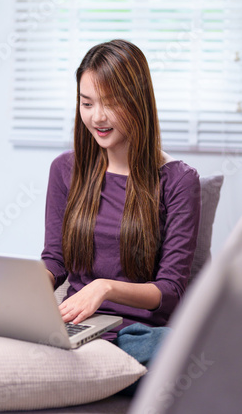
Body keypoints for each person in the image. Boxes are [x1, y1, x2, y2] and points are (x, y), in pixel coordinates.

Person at [41, 39, 201, 394]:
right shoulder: (65, 170)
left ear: (138, 101)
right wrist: (24, 289)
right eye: (87, 103)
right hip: (77, 325)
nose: (97, 116)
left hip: (137, 334)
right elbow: (55, 259)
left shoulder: (178, 181)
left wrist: (105, 287)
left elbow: (170, 291)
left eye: (111, 103)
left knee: (184, 353)